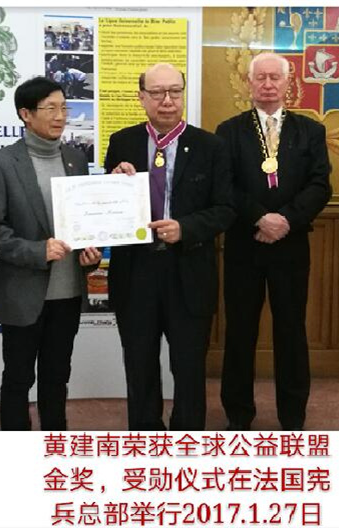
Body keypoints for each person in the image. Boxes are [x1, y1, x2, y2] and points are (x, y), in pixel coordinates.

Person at [104, 63, 235, 431]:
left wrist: (186, 228)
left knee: (189, 367)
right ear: (141, 97)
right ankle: (145, 435)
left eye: (175, 92)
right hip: (136, 271)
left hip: (188, 270)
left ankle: (187, 438)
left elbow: (226, 209)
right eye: (158, 92)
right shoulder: (122, 142)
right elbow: (109, 208)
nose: (167, 101)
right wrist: (113, 183)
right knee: (139, 363)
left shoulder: (211, 146)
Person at [0, 77, 102, 431]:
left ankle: (54, 443)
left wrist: (89, 253)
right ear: (26, 114)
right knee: (18, 378)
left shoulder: (76, 158)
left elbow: (81, 221)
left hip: (68, 292)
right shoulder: (2, 163)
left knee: (57, 376)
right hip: (23, 292)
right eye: (51, 108)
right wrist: (37, 251)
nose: (60, 116)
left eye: (64, 107)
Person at [216, 52, 331, 431]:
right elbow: (225, 185)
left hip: (291, 245)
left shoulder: (309, 131)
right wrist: (259, 218)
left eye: (274, 78)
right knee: (240, 331)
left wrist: (287, 220)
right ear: (249, 83)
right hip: (243, 244)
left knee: (291, 331)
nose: (267, 84)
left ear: (287, 83)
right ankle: (238, 414)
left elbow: (320, 184)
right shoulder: (229, 131)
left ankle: (293, 416)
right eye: (260, 78)